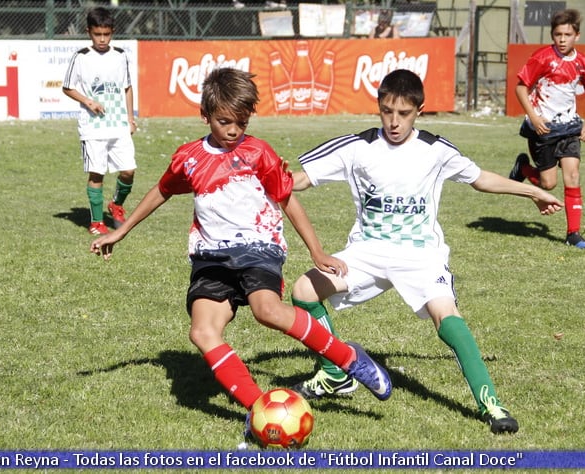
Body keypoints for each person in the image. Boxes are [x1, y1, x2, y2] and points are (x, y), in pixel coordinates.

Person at [90, 67, 393, 435]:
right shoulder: (188, 157)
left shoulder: (258, 153)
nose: (234, 130)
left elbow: (288, 200)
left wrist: (316, 251)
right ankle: (258, 409)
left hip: (257, 247)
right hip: (210, 257)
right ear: (205, 116)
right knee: (202, 332)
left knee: (268, 311)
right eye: (224, 122)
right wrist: (121, 231)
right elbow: (162, 191)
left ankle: (349, 358)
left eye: (241, 122)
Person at [288, 69, 564, 435]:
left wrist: (533, 192)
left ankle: (491, 405)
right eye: (387, 111)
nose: (394, 122)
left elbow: (479, 178)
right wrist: (256, 180)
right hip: (367, 252)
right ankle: (337, 372)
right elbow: (300, 179)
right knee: (303, 291)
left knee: (446, 316)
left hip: (420, 256)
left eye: (403, 113)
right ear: (379, 107)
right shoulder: (356, 147)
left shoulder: (434, 150)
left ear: (419, 110)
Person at [508, 9, 585, 249]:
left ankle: (573, 234)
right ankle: (524, 168)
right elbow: (520, 88)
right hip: (543, 129)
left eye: (567, 34)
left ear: (577, 36)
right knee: (548, 184)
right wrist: (534, 117)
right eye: (557, 34)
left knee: (573, 175)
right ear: (552, 35)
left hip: (569, 127)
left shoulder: (584, 64)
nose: (562, 39)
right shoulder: (542, 58)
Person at [63, 6, 137, 235]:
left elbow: (127, 87)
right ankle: (96, 222)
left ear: (112, 31)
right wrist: (88, 102)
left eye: (106, 34)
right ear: (89, 32)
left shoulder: (121, 55)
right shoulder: (81, 57)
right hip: (93, 127)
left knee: (128, 171)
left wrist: (131, 117)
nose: (102, 39)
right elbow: (67, 87)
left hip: (118, 125)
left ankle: (116, 204)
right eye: (98, 34)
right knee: (97, 174)